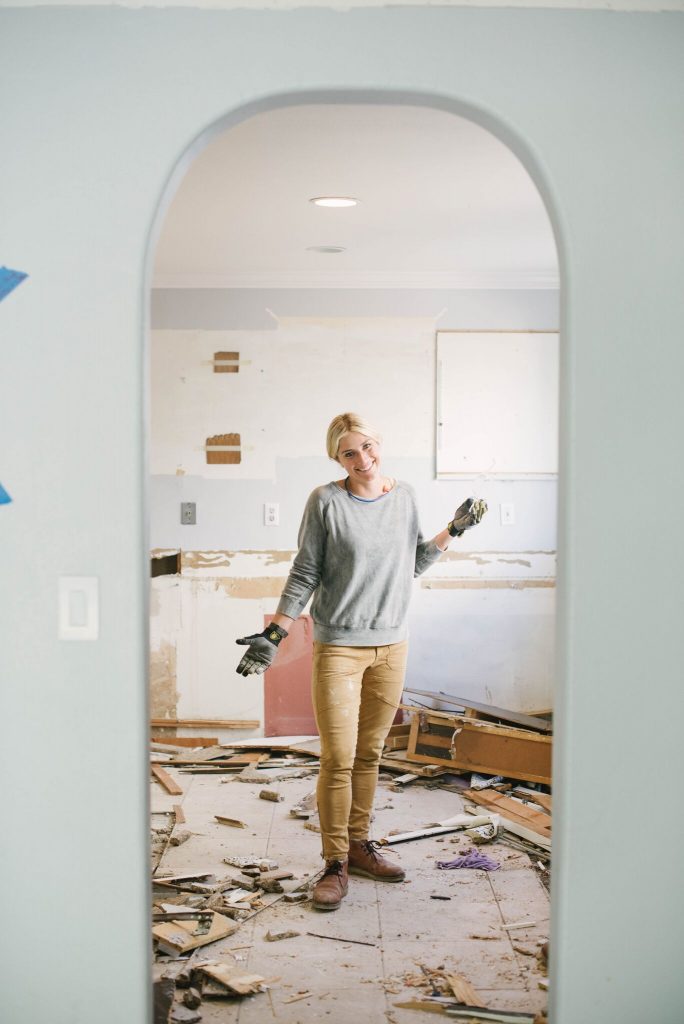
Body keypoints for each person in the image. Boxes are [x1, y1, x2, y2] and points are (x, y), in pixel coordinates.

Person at [235, 412, 487, 911]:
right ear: (338, 458)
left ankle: (359, 846)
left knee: (370, 755)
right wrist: (275, 632)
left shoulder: (406, 496)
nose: (363, 459)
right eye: (350, 452)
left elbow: (412, 563)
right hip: (339, 648)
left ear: (379, 444)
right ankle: (333, 864)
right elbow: (306, 570)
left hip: (393, 645)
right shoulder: (325, 502)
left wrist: (452, 530)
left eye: (368, 447)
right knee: (338, 757)